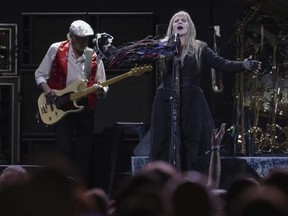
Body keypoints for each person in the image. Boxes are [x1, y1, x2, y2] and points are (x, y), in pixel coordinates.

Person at [149, 11, 261, 173]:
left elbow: (222, 64)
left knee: (191, 142)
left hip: (191, 103)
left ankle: (192, 182)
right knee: (165, 142)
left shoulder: (199, 48)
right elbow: (139, 58)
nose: (180, 22)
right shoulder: (162, 48)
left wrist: (243, 65)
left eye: (184, 20)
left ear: (190, 26)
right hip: (165, 101)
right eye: (176, 21)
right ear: (171, 27)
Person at [35, 20, 108, 187]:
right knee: (64, 148)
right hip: (60, 104)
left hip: (85, 106)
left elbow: (103, 84)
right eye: (80, 39)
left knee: (84, 150)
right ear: (71, 36)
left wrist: (100, 90)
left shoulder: (93, 56)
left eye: (86, 39)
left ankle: (80, 188)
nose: (84, 42)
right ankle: (62, 186)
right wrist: (46, 89)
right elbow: (39, 74)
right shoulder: (56, 49)